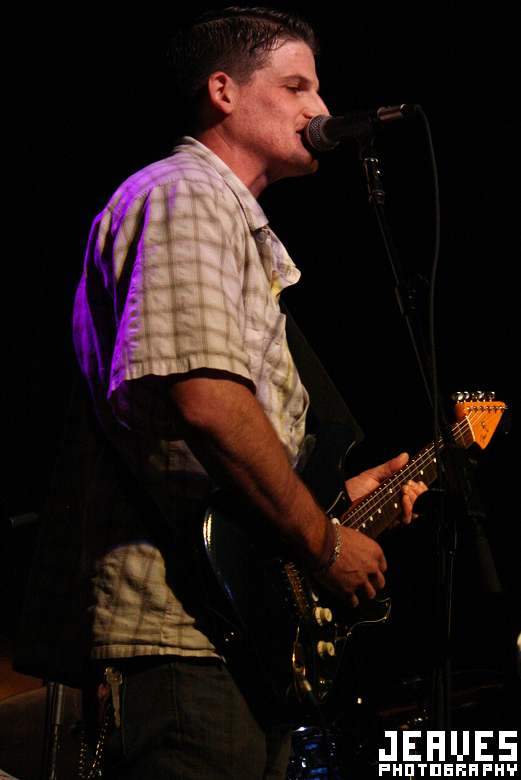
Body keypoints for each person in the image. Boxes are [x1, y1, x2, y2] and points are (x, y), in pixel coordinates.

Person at [71, 7, 427, 779]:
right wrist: (325, 542)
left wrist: (334, 501)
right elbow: (207, 401)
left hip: (229, 636)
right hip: (182, 628)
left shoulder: (222, 216)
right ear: (223, 91)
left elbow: (216, 456)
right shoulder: (187, 195)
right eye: (296, 86)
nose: (320, 109)